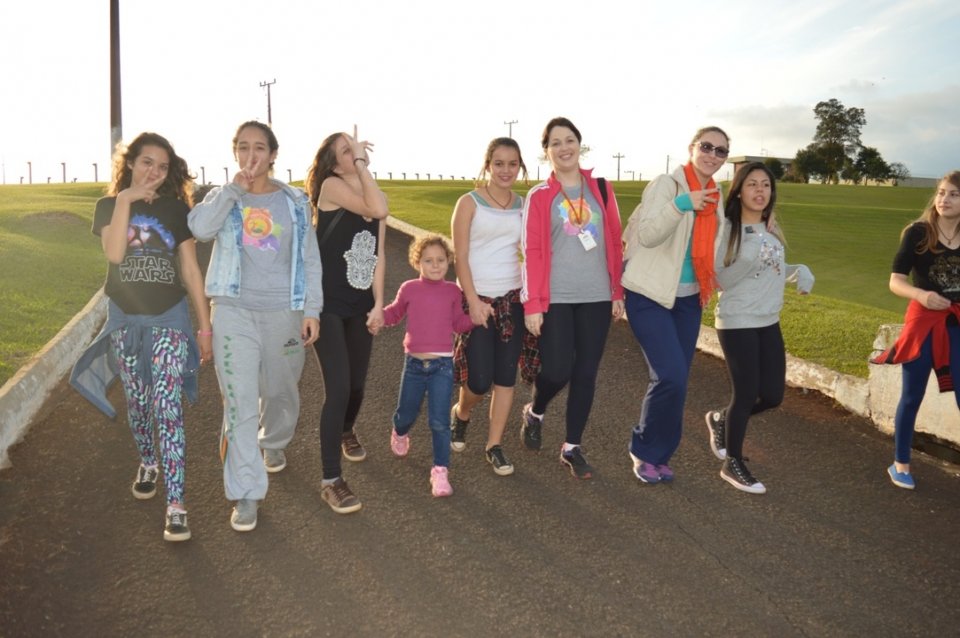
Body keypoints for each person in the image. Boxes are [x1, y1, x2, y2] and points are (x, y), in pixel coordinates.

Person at [70, 132, 211, 542]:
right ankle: (147, 460)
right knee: (138, 402)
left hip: (168, 318)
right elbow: (114, 254)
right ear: (130, 163)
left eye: (162, 167)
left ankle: (177, 505)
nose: (154, 172)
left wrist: (204, 326)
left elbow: (189, 270)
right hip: (125, 320)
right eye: (147, 162)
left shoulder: (173, 210)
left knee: (167, 407)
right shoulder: (108, 207)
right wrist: (127, 200)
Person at [188, 121, 323, 531]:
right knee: (240, 403)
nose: (251, 155)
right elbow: (198, 229)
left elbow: (310, 258)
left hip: (284, 312)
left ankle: (275, 440)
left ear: (273, 154)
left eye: (259, 148)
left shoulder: (295, 201)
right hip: (233, 312)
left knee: (281, 390)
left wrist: (311, 308)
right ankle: (246, 492)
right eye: (243, 147)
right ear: (235, 154)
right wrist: (233, 191)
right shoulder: (222, 199)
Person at [621, 126, 729, 484]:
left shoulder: (717, 194)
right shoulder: (667, 185)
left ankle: (661, 454)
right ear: (692, 148)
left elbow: (719, 242)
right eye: (707, 147)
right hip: (649, 293)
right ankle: (644, 451)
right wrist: (682, 204)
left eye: (721, 151)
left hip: (687, 298)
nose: (713, 155)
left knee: (678, 380)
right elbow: (649, 234)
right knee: (669, 374)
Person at [520, 117, 624, 479]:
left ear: (580, 144)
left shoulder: (600, 187)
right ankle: (535, 409)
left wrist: (616, 291)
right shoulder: (540, 196)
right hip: (557, 298)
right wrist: (532, 304)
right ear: (546, 151)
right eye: (555, 142)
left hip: (596, 295)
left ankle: (572, 447)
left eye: (570, 140)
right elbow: (531, 250)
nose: (564, 147)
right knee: (558, 370)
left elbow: (613, 238)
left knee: (586, 373)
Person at [704, 162, 813, 494]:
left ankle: (721, 420)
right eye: (752, 184)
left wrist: (799, 270)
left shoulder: (770, 228)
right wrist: (747, 257)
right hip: (738, 321)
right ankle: (732, 463)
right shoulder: (728, 228)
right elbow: (719, 280)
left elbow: (772, 267)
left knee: (773, 396)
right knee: (746, 394)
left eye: (765, 185)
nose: (760, 190)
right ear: (739, 190)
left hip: (768, 320)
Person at [304, 131, 388, 514]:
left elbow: (379, 253)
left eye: (355, 150)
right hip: (328, 304)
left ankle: (345, 430)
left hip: (360, 303)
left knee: (356, 386)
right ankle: (330, 480)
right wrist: (358, 163)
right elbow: (374, 207)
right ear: (335, 162)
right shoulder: (332, 186)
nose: (355, 154)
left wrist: (379, 304)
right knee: (338, 389)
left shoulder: (373, 193)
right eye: (346, 151)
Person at [873, 171, 960, 490]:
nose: (944, 200)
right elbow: (896, 281)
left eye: (953, 194)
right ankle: (900, 463)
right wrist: (922, 295)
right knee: (912, 395)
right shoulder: (918, 233)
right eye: (940, 193)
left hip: (956, 322)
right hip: (923, 321)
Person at [377, 235, 479, 497]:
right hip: (413, 366)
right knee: (406, 414)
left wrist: (477, 318)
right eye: (428, 261)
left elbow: (459, 323)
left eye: (441, 260)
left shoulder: (453, 292)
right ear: (417, 262)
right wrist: (378, 317)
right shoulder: (409, 288)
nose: (435, 265)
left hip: (442, 367)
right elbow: (394, 312)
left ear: (449, 262)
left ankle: (440, 471)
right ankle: (400, 432)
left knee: (439, 422)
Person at [449, 137, 527, 476]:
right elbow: (460, 256)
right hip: (477, 299)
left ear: (520, 166)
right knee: (479, 381)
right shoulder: (469, 203)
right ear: (488, 165)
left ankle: (494, 445)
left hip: (513, 299)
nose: (505, 170)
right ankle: (462, 413)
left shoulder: (524, 204)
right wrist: (473, 301)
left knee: (506, 377)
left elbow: (535, 251)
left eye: (512, 164)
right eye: (499, 163)